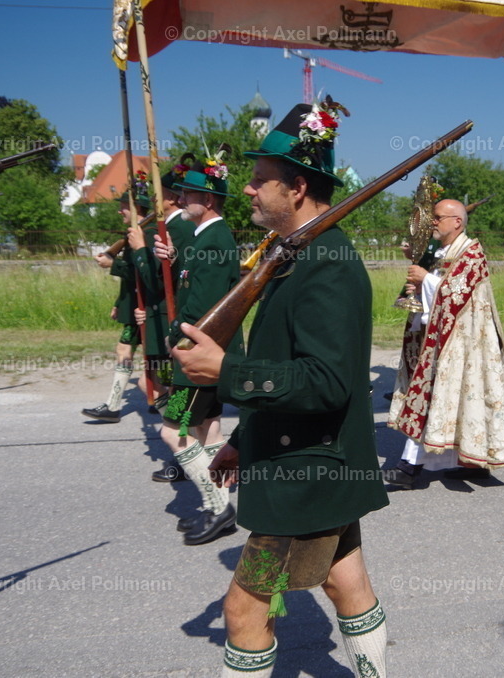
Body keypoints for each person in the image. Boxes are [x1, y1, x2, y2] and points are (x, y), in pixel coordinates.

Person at [172, 101, 390, 677]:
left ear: (296, 187)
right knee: (347, 583)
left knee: (242, 611)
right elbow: (286, 364)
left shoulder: (328, 264)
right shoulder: (295, 255)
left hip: (308, 475)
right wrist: (246, 436)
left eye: (259, 179)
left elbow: (327, 381)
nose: (246, 190)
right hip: (306, 459)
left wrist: (226, 374)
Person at [386, 198, 504, 487]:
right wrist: (418, 277)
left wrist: (426, 281)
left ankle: (409, 468)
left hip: (463, 345)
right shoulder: (440, 251)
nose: (432, 222)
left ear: (457, 221)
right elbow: (434, 287)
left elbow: (455, 294)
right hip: (440, 339)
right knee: (456, 403)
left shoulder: (472, 252)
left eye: (437, 217)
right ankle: (472, 462)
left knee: (436, 396)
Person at [153, 156, 242, 546]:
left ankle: (217, 505)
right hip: (205, 353)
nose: (179, 197)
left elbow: (201, 306)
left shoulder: (212, 238)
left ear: (206, 199)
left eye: (187, 192)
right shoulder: (206, 237)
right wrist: (172, 261)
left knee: (172, 433)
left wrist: (173, 333)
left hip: (197, 354)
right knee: (207, 432)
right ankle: (217, 507)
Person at [129, 166, 197, 483]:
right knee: (174, 395)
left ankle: (184, 458)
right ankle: (183, 454)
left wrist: (141, 252)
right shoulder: (175, 228)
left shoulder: (180, 230)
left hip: (180, 327)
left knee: (178, 397)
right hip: (169, 323)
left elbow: (161, 282)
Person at [81, 190, 149, 423]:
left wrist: (112, 263)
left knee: (145, 353)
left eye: (124, 206)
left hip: (146, 306)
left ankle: (115, 406)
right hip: (133, 305)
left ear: (137, 208)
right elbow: (132, 278)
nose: (120, 210)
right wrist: (119, 303)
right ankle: (153, 399)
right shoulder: (136, 232)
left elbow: (143, 272)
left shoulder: (146, 234)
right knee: (137, 352)